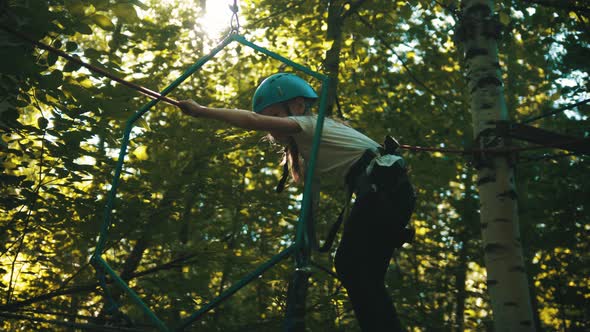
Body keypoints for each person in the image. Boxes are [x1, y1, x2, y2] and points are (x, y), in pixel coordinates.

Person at [178, 72, 416, 331]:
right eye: (270, 118)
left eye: (275, 116)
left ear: (299, 106)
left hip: (383, 191)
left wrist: (202, 110)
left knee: (350, 267)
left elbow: (252, 120)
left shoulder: (309, 124)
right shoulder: (309, 145)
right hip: (390, 193)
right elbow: (311, 197)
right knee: (364, 274)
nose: (271, 125)